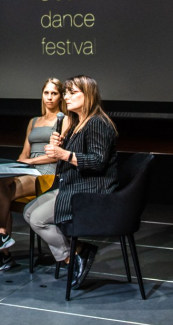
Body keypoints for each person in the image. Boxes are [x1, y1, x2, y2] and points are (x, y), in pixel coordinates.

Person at [23, 75, 118, 288]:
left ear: (88, 95)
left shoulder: (97, 123)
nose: (66, 97)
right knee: (28, 212)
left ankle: (75, 254)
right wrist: (62, 146)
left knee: (38, 219)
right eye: (65, 93)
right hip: (74, 186)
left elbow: (98, 162)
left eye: (72, 92)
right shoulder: (78, 123)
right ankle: (77, 252)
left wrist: (63, 153)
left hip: (91, 190)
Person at [0, 78, 67, 271]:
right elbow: (24, 153)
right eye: (46, 93)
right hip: (28, 169)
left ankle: (2, 248)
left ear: (60, 96)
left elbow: (56, 157)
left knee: (3, 194)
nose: (49, 97)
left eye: (54, 93)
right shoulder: (33, 121)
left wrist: (28, 162)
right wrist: (14, 166)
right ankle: (3, 239)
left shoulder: (63, 120)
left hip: (46, 173)